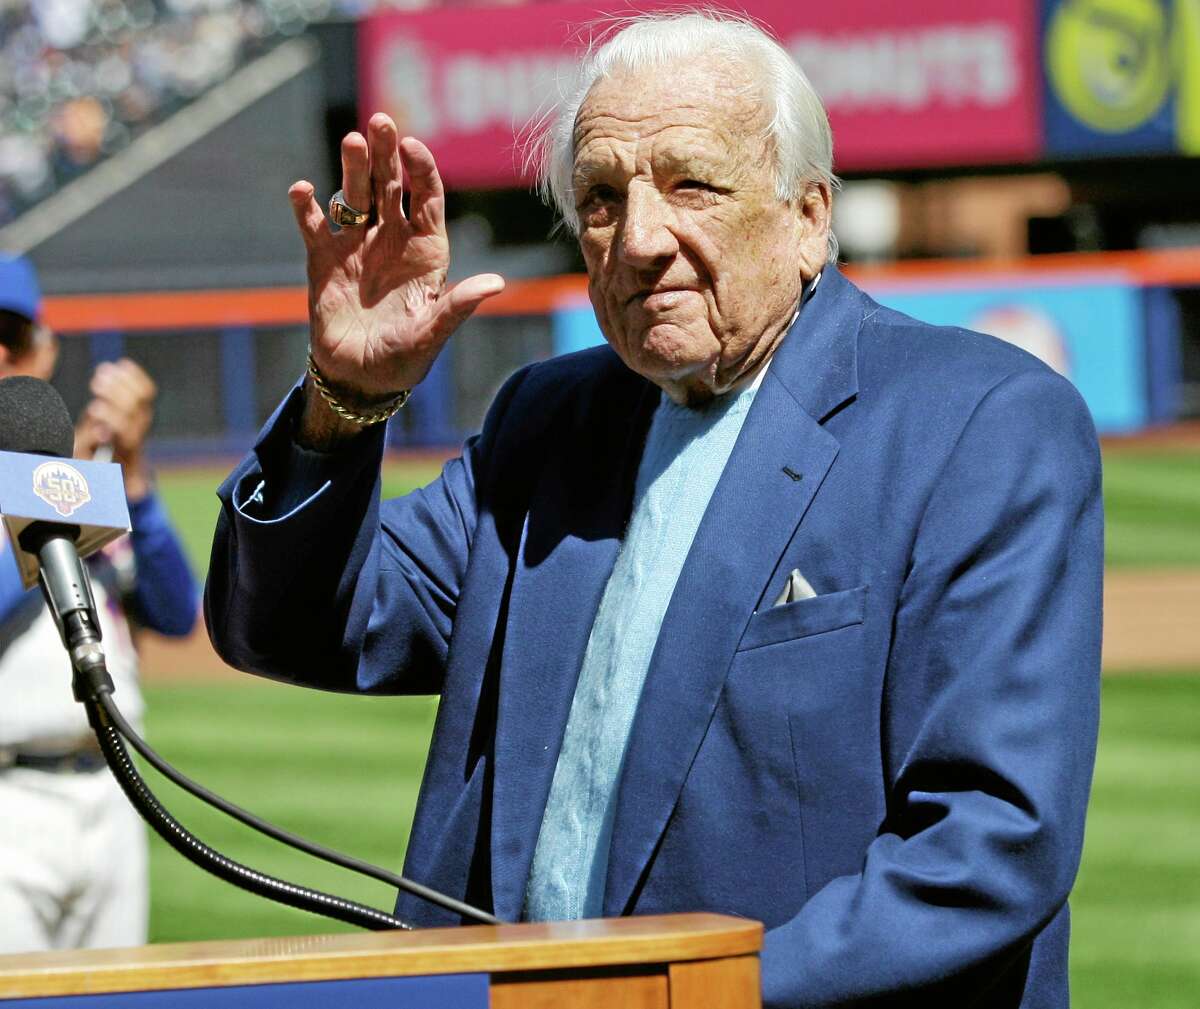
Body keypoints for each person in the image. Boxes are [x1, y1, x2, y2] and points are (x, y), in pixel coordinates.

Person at [205, 11, 1102, 1006]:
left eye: (692, 185)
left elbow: (989, 846)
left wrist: (684, 996)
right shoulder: (546, 422)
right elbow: (294, 626)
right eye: (600, 197)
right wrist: (343, 398)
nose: (639, 240)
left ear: (809, 216)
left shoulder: (979, 423)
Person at [0, 253, 198, 952]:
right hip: (8, 798)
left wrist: (131, 473)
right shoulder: (69, 479)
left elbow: (175, 609)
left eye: (13, 335)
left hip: (112, 790)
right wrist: (59, 502)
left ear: (45, 349)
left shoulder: (76, 472)